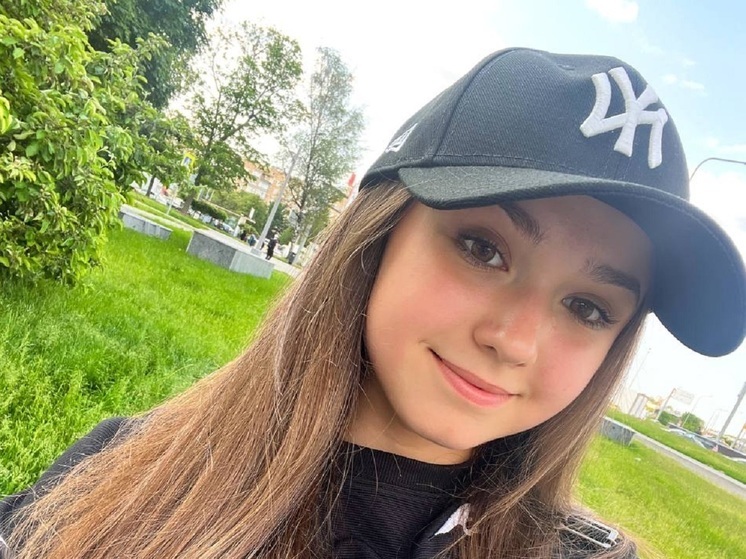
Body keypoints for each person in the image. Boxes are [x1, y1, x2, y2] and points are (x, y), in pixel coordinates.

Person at [1, 48, 744, 559]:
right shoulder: (127, 470)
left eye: (588, 307)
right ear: (378, 234)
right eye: (482, 248)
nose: (516, 340)